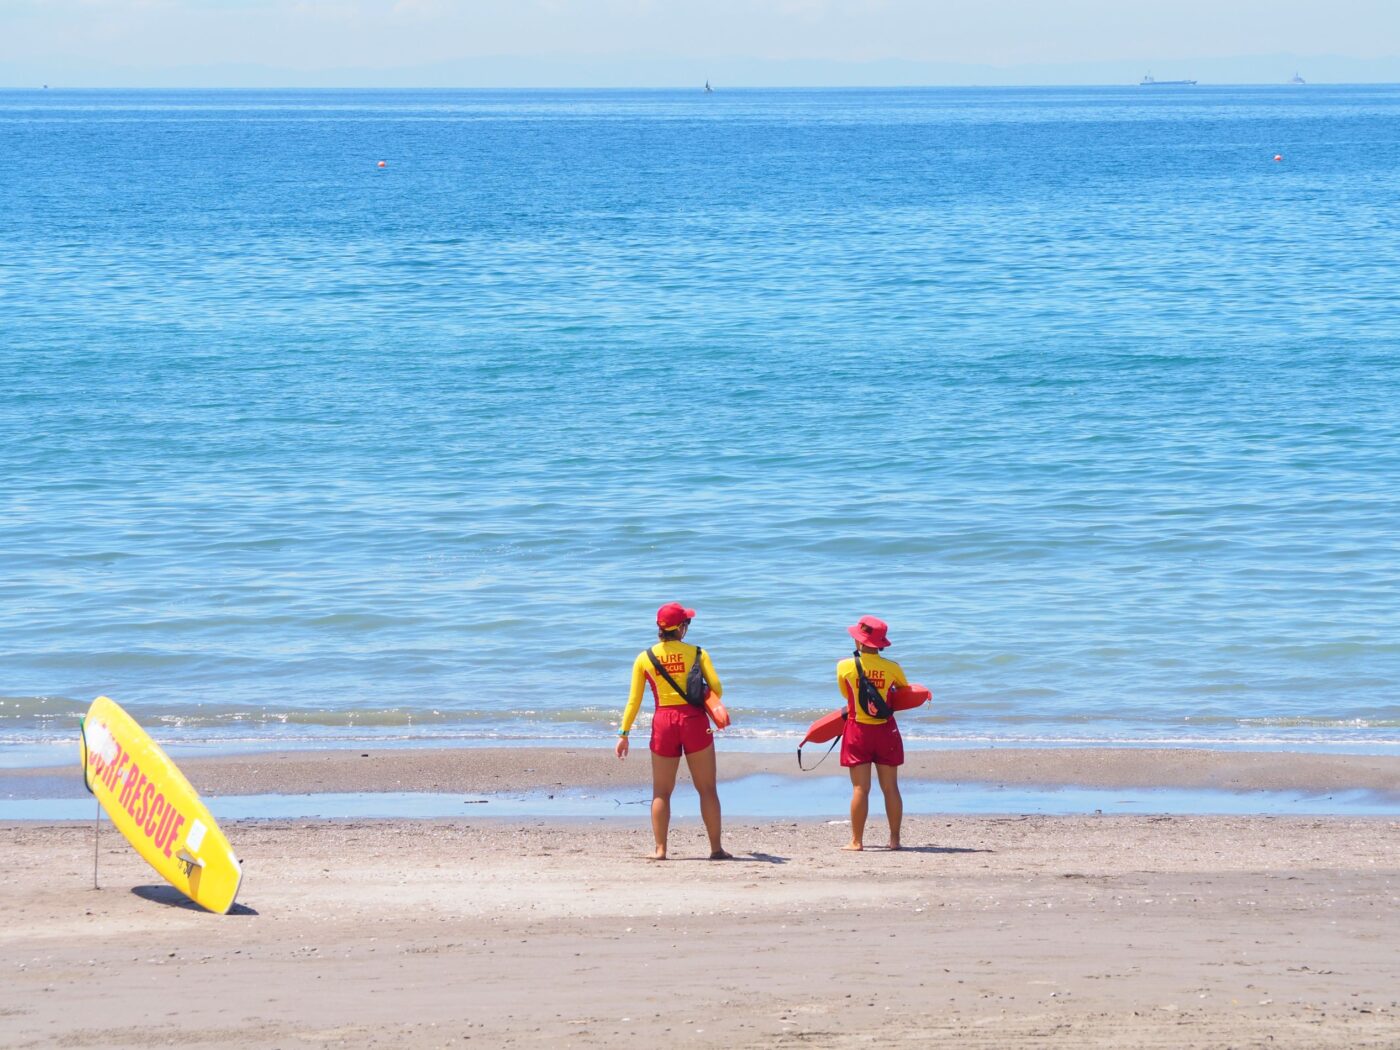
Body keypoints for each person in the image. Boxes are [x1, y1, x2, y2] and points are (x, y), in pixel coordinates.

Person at [615, 602, 731, 860]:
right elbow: (717, 689)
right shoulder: (698, 653)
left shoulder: (645, 658)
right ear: (680, 628)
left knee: (661, 791)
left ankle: (660, 850)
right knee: (707, 789)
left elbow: (633, 701)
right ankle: (715, 849)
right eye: (686, 624)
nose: (687, 628)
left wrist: (624, 734)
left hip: (664, 723)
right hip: (693, 721)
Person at [837, 615, 909, 851]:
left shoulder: (844, 666)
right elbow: (903, 694)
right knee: (890, 787)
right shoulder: (893, 668)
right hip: (885, 731)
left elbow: (846, 696)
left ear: (859, 642)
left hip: (858, 731)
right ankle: (894, 840)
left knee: (860, 789)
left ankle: (856, 841)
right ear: (880, 644)